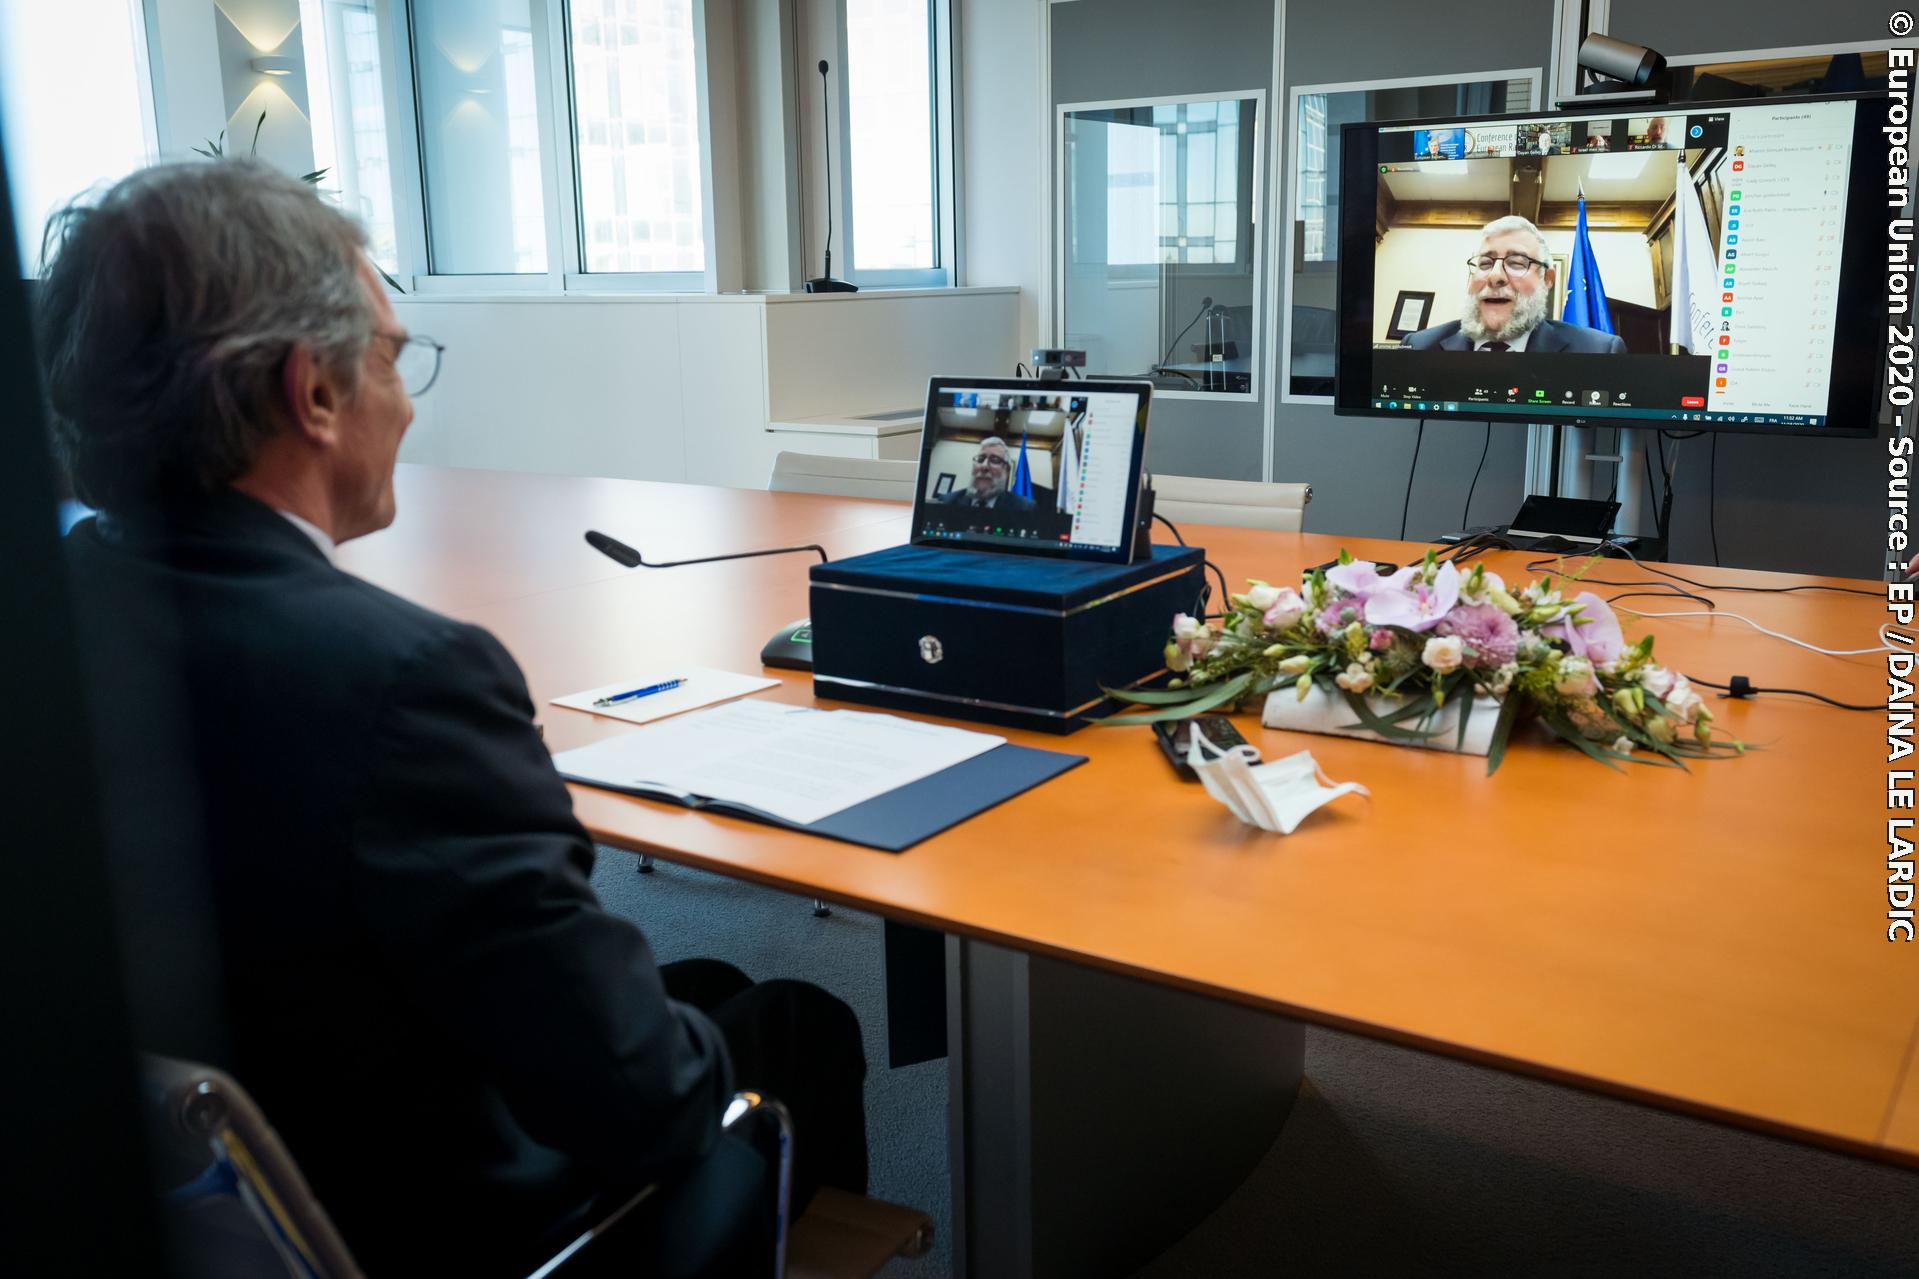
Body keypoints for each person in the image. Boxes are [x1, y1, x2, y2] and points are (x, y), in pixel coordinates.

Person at [39, 159, 867, 1278]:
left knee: (712, 985)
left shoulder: (52, 622)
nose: (410, 396)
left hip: (213, 1178)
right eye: (390, 356)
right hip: (436, 1218)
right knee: (800, 1026)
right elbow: (646, 1100)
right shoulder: (402, 680)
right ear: (312, 393)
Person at [1400, 215, 1630, 354]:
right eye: (1486, 262)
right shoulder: (1419, 346)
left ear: (1547, 279)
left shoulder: (1597, 351)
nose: (1495, 276)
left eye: (1517, 263)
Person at [940, 435, 1035, 510]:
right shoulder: (947, 501)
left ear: (1006, 470)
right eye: (980, 459)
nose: (984, 466)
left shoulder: (1025, 508)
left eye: (995, 460)